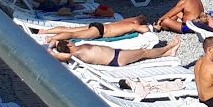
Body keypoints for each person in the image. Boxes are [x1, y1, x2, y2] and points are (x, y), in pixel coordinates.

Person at [45, 35, 181, 68]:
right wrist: (52, 53)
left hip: (117, 53)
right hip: (116, 59)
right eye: (69, 41)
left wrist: (51, 46)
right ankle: (168, 47)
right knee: (143, 52)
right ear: (68, 45)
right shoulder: (76, 54)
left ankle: (169, 53)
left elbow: (56, 40)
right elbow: (65, 55)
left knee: (142, 55)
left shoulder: (78, 47)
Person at [36, 14, 152, 43]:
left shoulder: (126, 21)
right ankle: (51, 39)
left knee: (70, 29)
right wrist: (150, 27)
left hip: (98, 25)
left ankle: (44, 31)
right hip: (100, 31)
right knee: (73, 35)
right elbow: (145, 30)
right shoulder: (133, 25)